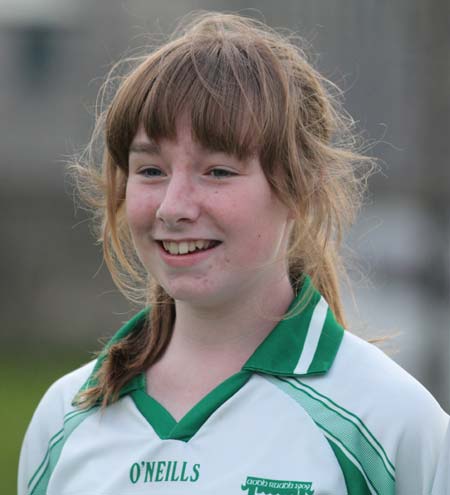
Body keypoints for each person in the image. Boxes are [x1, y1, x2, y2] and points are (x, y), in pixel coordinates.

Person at [18, 12, 448, 495]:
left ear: (301, 189)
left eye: (218, 171)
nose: (173, 206)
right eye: (151, 170)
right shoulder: (65, 419)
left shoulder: (392, 423)